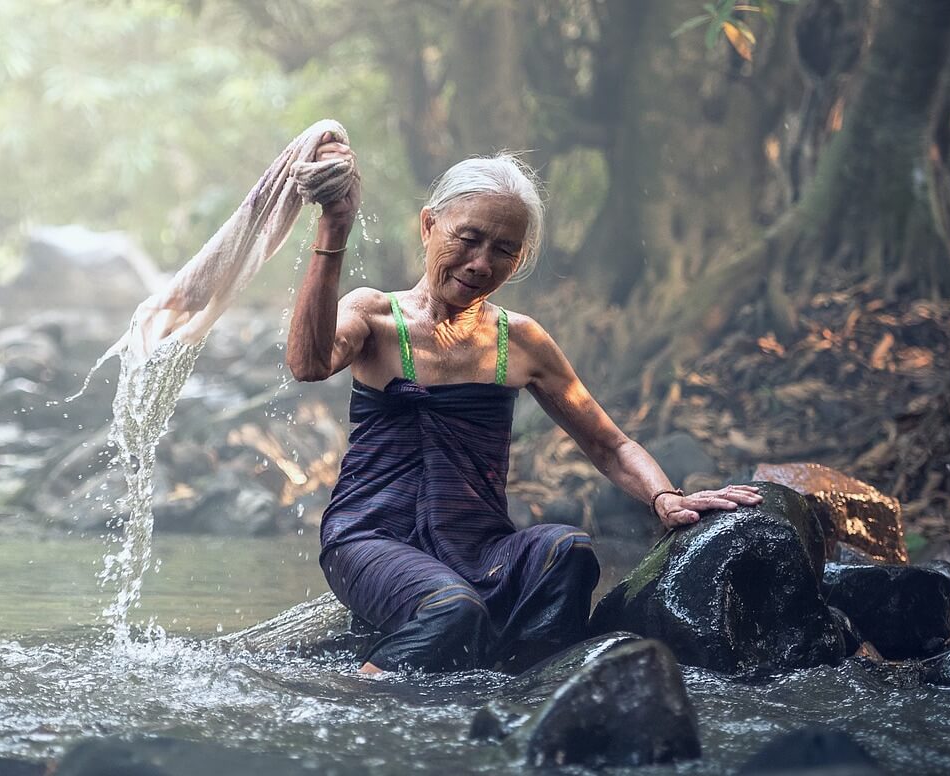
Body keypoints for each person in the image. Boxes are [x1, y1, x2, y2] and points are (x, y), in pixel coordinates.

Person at [286, 144, 762, 673]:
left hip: (477, 546)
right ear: (428, 226)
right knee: (451, 611)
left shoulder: (521, 340)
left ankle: (529, 690)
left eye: (504, 250)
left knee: (570, 553)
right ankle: (360, 693)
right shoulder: (374, 314)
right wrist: (334, 229)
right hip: (370, 537)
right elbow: (308, 362)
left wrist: (666, 499)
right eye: (467, 239)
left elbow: (609, 444)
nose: (481, 263)